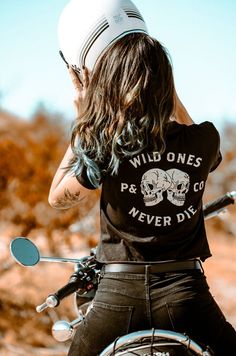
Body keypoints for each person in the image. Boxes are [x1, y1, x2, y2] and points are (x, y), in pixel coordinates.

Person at [49, 2, 236, 356]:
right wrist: (166, 85)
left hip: (118, 296)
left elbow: (56, 196)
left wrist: (84, 116)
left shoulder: (106, 144)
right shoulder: (204, 140)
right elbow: (201, 144)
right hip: (186, 295)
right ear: (168, 82)